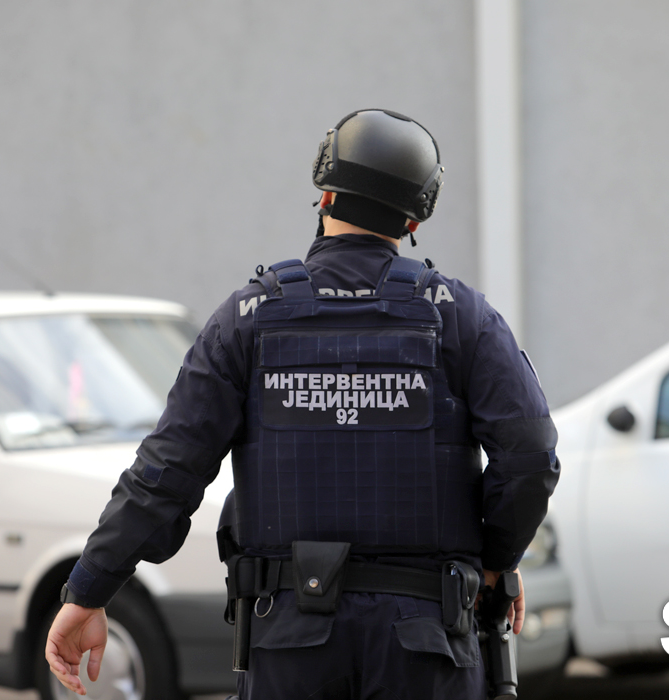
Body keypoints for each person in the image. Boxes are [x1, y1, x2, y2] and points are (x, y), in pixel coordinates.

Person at [46, 109, 560, 700]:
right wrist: (497, 558)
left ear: (325, 193)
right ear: (415, 218)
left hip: (289, 643)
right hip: (428, 644)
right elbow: (531, 457)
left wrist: (89, 588)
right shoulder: (461, 317)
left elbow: (165, 473)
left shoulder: (247, 319)